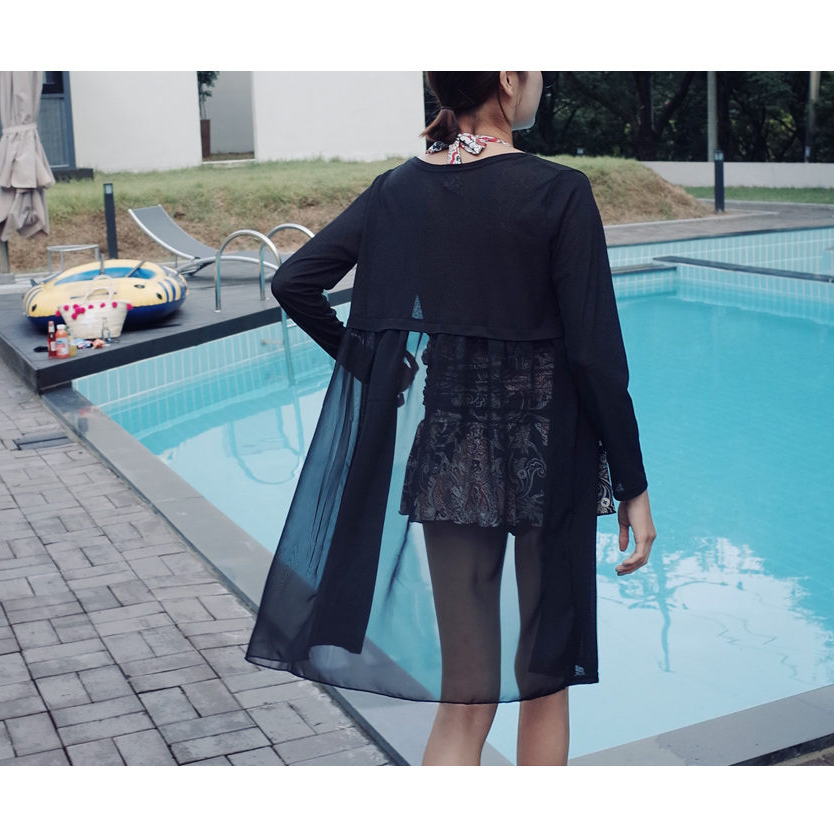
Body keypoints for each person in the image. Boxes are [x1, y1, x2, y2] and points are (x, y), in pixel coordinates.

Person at [245, 71, 656, 766]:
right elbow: (594, 356)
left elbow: (294, 281)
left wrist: (371, 363)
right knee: (545, 686)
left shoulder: (398, 191)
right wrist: (633, 483)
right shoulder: (558, 191)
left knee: (465, 700)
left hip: (452, 453)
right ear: (506, 78)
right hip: (547, 453)